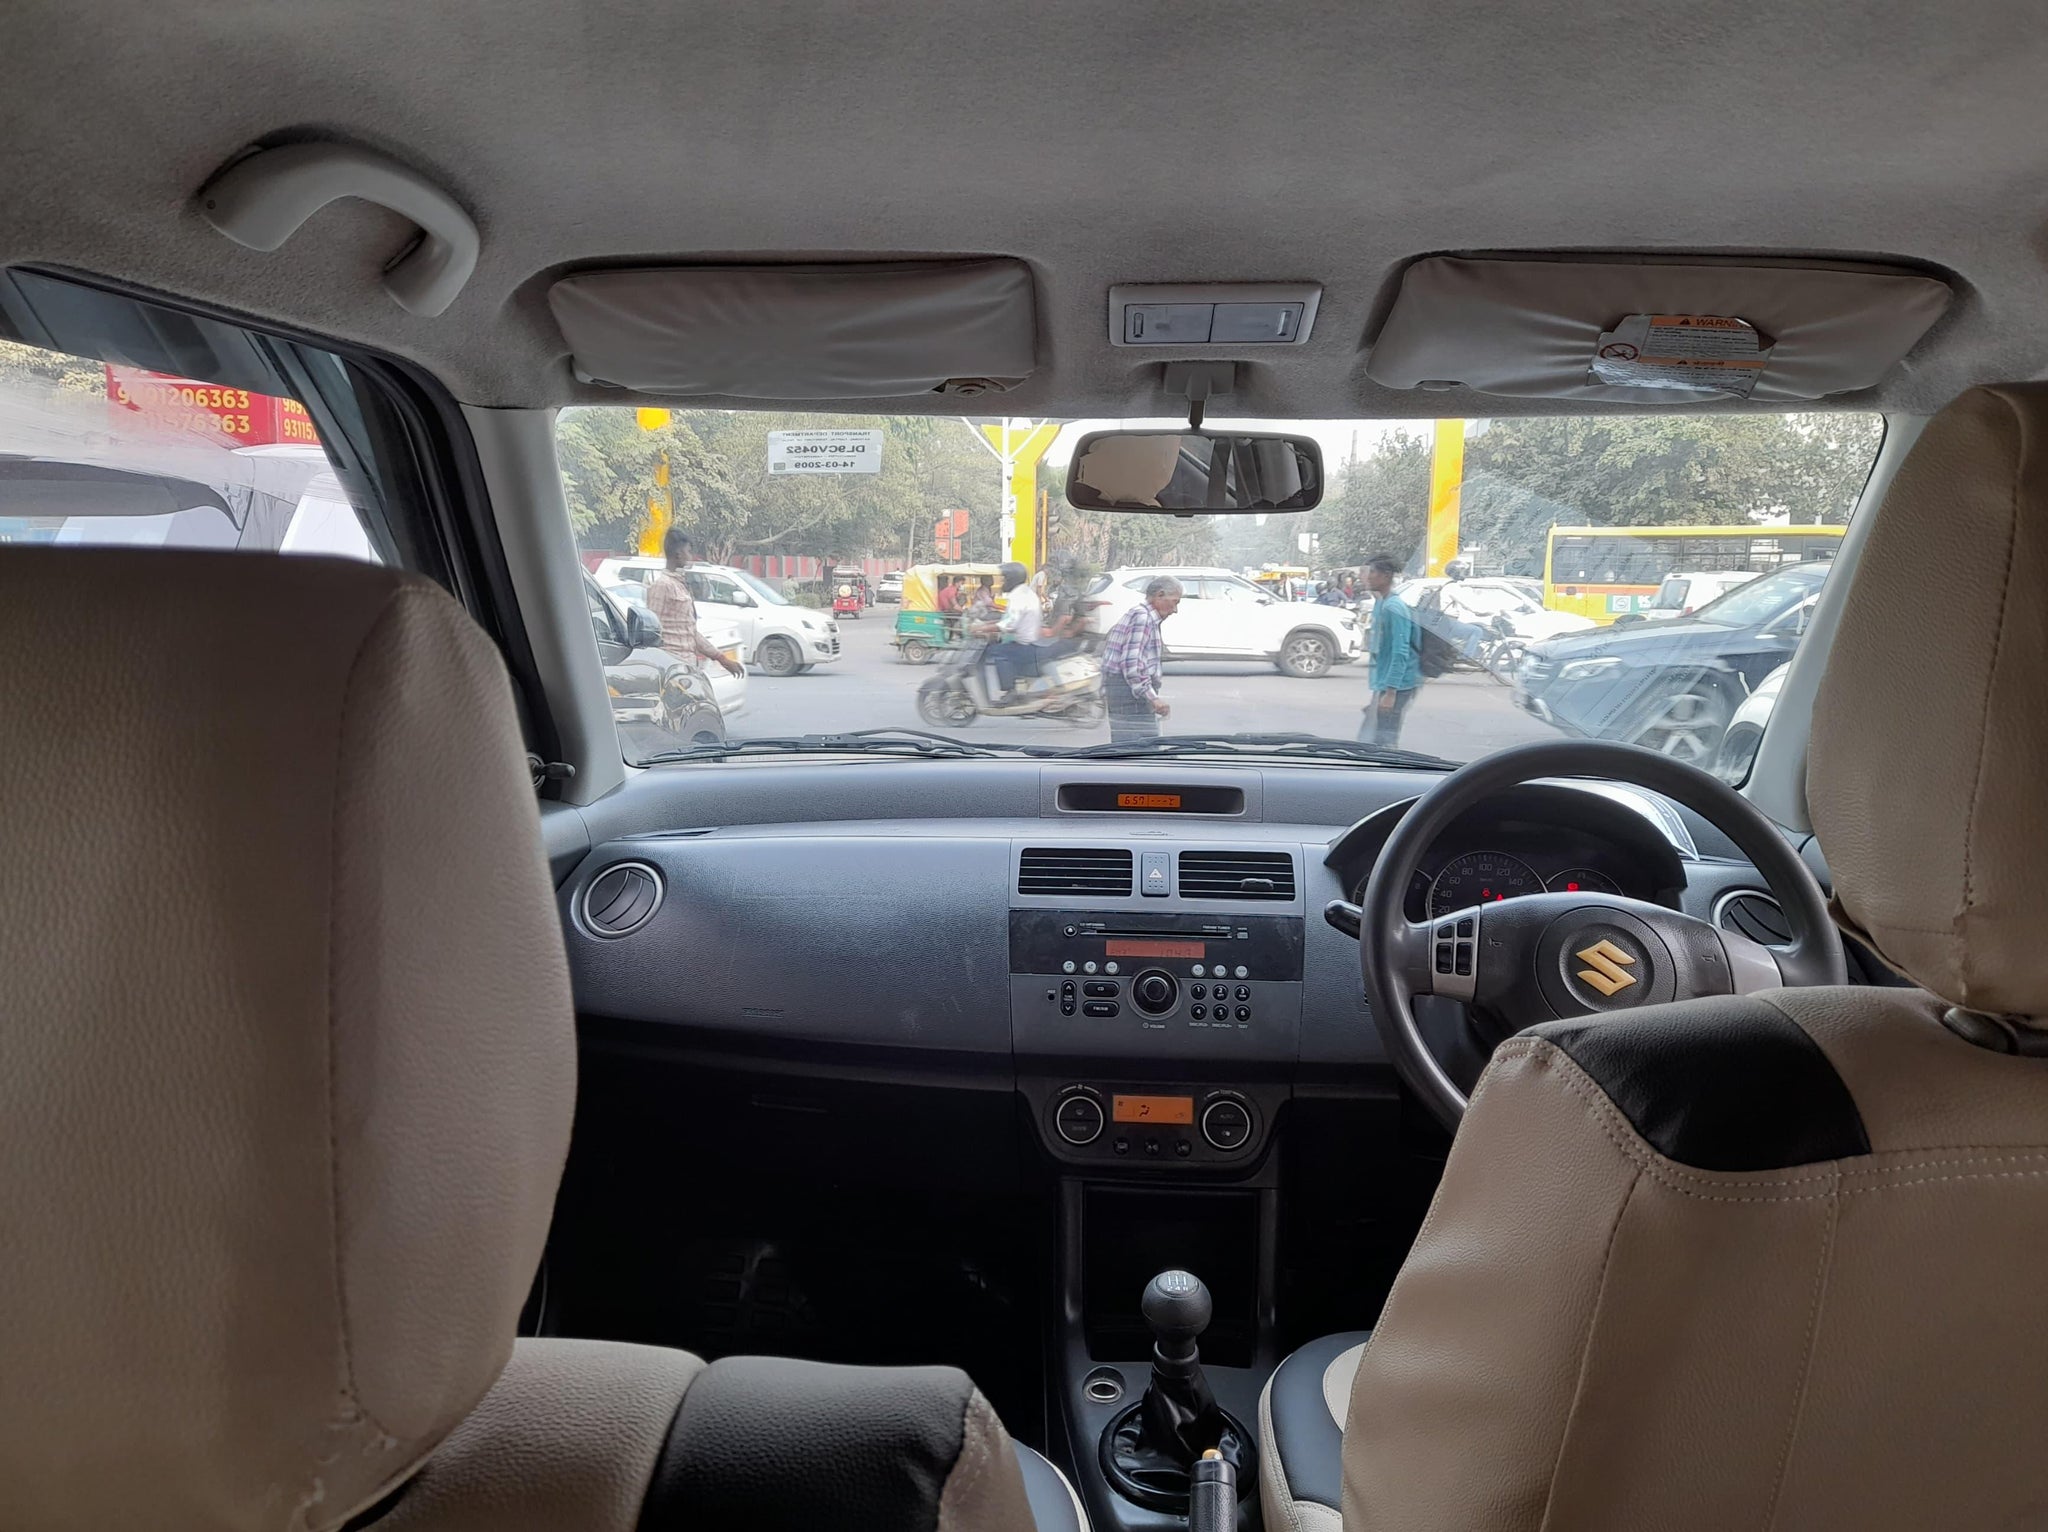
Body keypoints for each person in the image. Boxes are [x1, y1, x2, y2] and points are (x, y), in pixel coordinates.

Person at [644, 528, 746, 679]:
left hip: (687, 668)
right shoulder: (662, 586)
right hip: (671, 669)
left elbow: (691, 633)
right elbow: (651, 631)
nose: (690, 557)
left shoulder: (679, 584)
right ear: (678, 554)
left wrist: (722, 659)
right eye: (688, 552)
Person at [1101, 575, 1180, 741]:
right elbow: (1132, 665)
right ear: (1159, 595)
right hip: (1130, 694)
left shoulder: (1140, 615)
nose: (1175, 610)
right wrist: (1153, 698)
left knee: (1129, 746)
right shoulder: (1143, 618)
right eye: (1175, 602)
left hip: (1124, 691)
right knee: (1139, 747)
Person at [1359, 554, 1420, 747]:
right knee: (1376, 736)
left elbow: (1400, 651)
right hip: (1384, 682)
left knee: (1386, 739)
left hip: (1398, 685)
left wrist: (1391, 692)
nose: (1368, 577)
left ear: (1386, 576)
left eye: (1372, 572)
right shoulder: (1381, 603)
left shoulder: (1395, 608)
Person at [973, 561, 1042, 701]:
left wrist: (981, 628)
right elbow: (1007, 619)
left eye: (1004, 578)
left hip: (1026, 646)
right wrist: (986, 624)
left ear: (1012, 579)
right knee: (999, 647)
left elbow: (1009, 625)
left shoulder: (1018, 597)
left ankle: (1010, 691)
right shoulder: (1025, 592)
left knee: (997, 651)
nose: (1002, 582)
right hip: (1029, 642)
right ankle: (1016, 683)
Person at [936, 574, 960, 642]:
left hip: (944, 610)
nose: (946, 583)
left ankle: (952, 636)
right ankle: (954, 636)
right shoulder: (952, 589)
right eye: (961, 584)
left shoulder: (947, 589)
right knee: (959, 617)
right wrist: (963, 610)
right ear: (957, 583)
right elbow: (955, 604)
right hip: (943, 611)